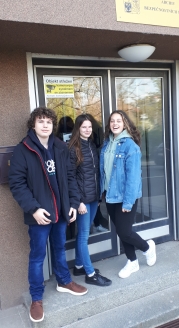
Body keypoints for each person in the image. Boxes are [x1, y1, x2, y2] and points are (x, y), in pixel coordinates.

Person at [9, 107, 88, 324]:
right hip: (40, 216)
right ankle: (36, 297)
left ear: (53, 125)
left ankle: (64, 281)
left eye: (49, 122)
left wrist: (72, 204)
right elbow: (17, 184)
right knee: (37, 257)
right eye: (41, 121)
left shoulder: (61, 148)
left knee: (60, 248)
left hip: (61, 213)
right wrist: (33, 209)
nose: (45, 125)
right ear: (33, 125)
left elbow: (70, 178)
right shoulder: (23, 150)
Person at [100, 110, 156, 279]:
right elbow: (104, 171)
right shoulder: (106, 144)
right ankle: (132, 261)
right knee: (121, 231)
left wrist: (128, 202)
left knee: (125, 232)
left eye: (119, 120)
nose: (115, 124)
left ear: (124, 124)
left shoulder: (130, 146)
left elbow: (133, 178)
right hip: (110, 196)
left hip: (125, 197)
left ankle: (147, 248)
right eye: (112, 121)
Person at [68, 114, 112, 287]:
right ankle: (90, 273)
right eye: (83, 127)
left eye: (89, 127)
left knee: (83, 233)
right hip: (82, 200)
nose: (87, 130)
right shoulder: (73, 148)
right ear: (78, 128)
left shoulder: (92, 145)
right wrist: (77, 202)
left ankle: (79, 266)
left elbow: (95, 174)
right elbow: (70, 177)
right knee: (84, 235)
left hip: (94, 197)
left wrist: (99, 196)